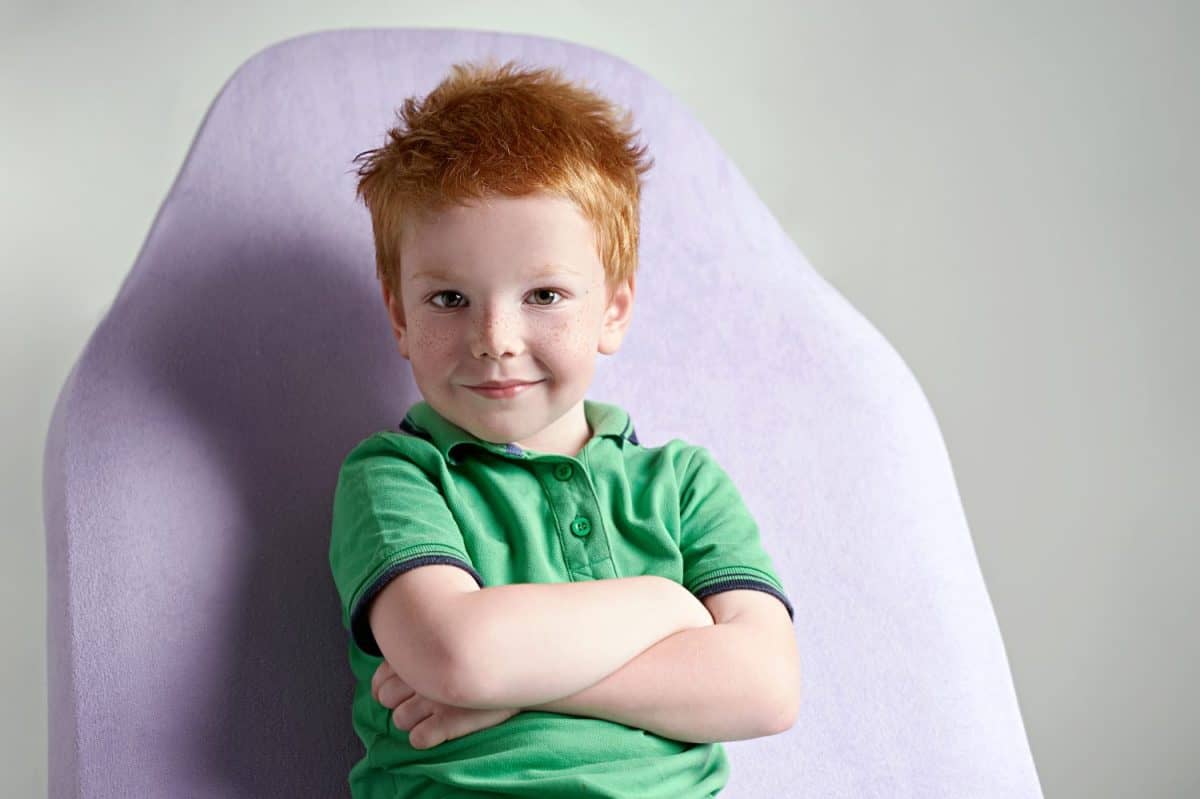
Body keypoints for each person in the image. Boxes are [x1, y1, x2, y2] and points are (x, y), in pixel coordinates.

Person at [329, 58, 800, 798]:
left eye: (544, 293)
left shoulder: (682, 484)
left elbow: (767, 686)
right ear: (399, 317)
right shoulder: (395, 474)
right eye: (449, 298)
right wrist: (667, 607)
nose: (496, 337)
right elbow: (459, 654)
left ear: (612, 310)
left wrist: (521, 685)